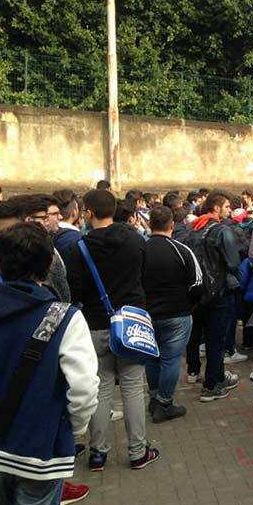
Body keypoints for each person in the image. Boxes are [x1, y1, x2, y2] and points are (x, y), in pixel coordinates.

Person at [0, 223, 99, 505]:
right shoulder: (65, 317)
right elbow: (84, 387)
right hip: (37, 452)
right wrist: (75, 427)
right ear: (48, 264)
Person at [66, 189, 159, 471]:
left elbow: (76, 289)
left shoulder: (78, 248)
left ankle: (98, 453)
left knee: (100, 388)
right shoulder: (135, 239)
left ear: (89, 212)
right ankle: (137, 451)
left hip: (95, 325)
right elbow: (146, 275)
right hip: (130, 322)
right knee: (132, 387)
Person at [142, 205, 203, 423]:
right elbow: (197, 283)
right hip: (177, 314)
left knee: (152, 358)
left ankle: (154, 398)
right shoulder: (181, 250)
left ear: (150, 224)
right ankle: (164, 402)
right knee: (171, 360)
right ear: (171, 225)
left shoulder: (141, 249)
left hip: (148, 315)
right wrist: (189, 304)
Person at [186, 191, 242, 401]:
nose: (229, 210)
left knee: (198, 334)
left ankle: (215, 376)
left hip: (197, 291)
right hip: (218, 291)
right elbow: (233, 262)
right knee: (215, 340)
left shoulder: (193, 229)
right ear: (216, 208)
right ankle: (211, 385)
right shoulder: (221, 230)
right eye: (227, 207)